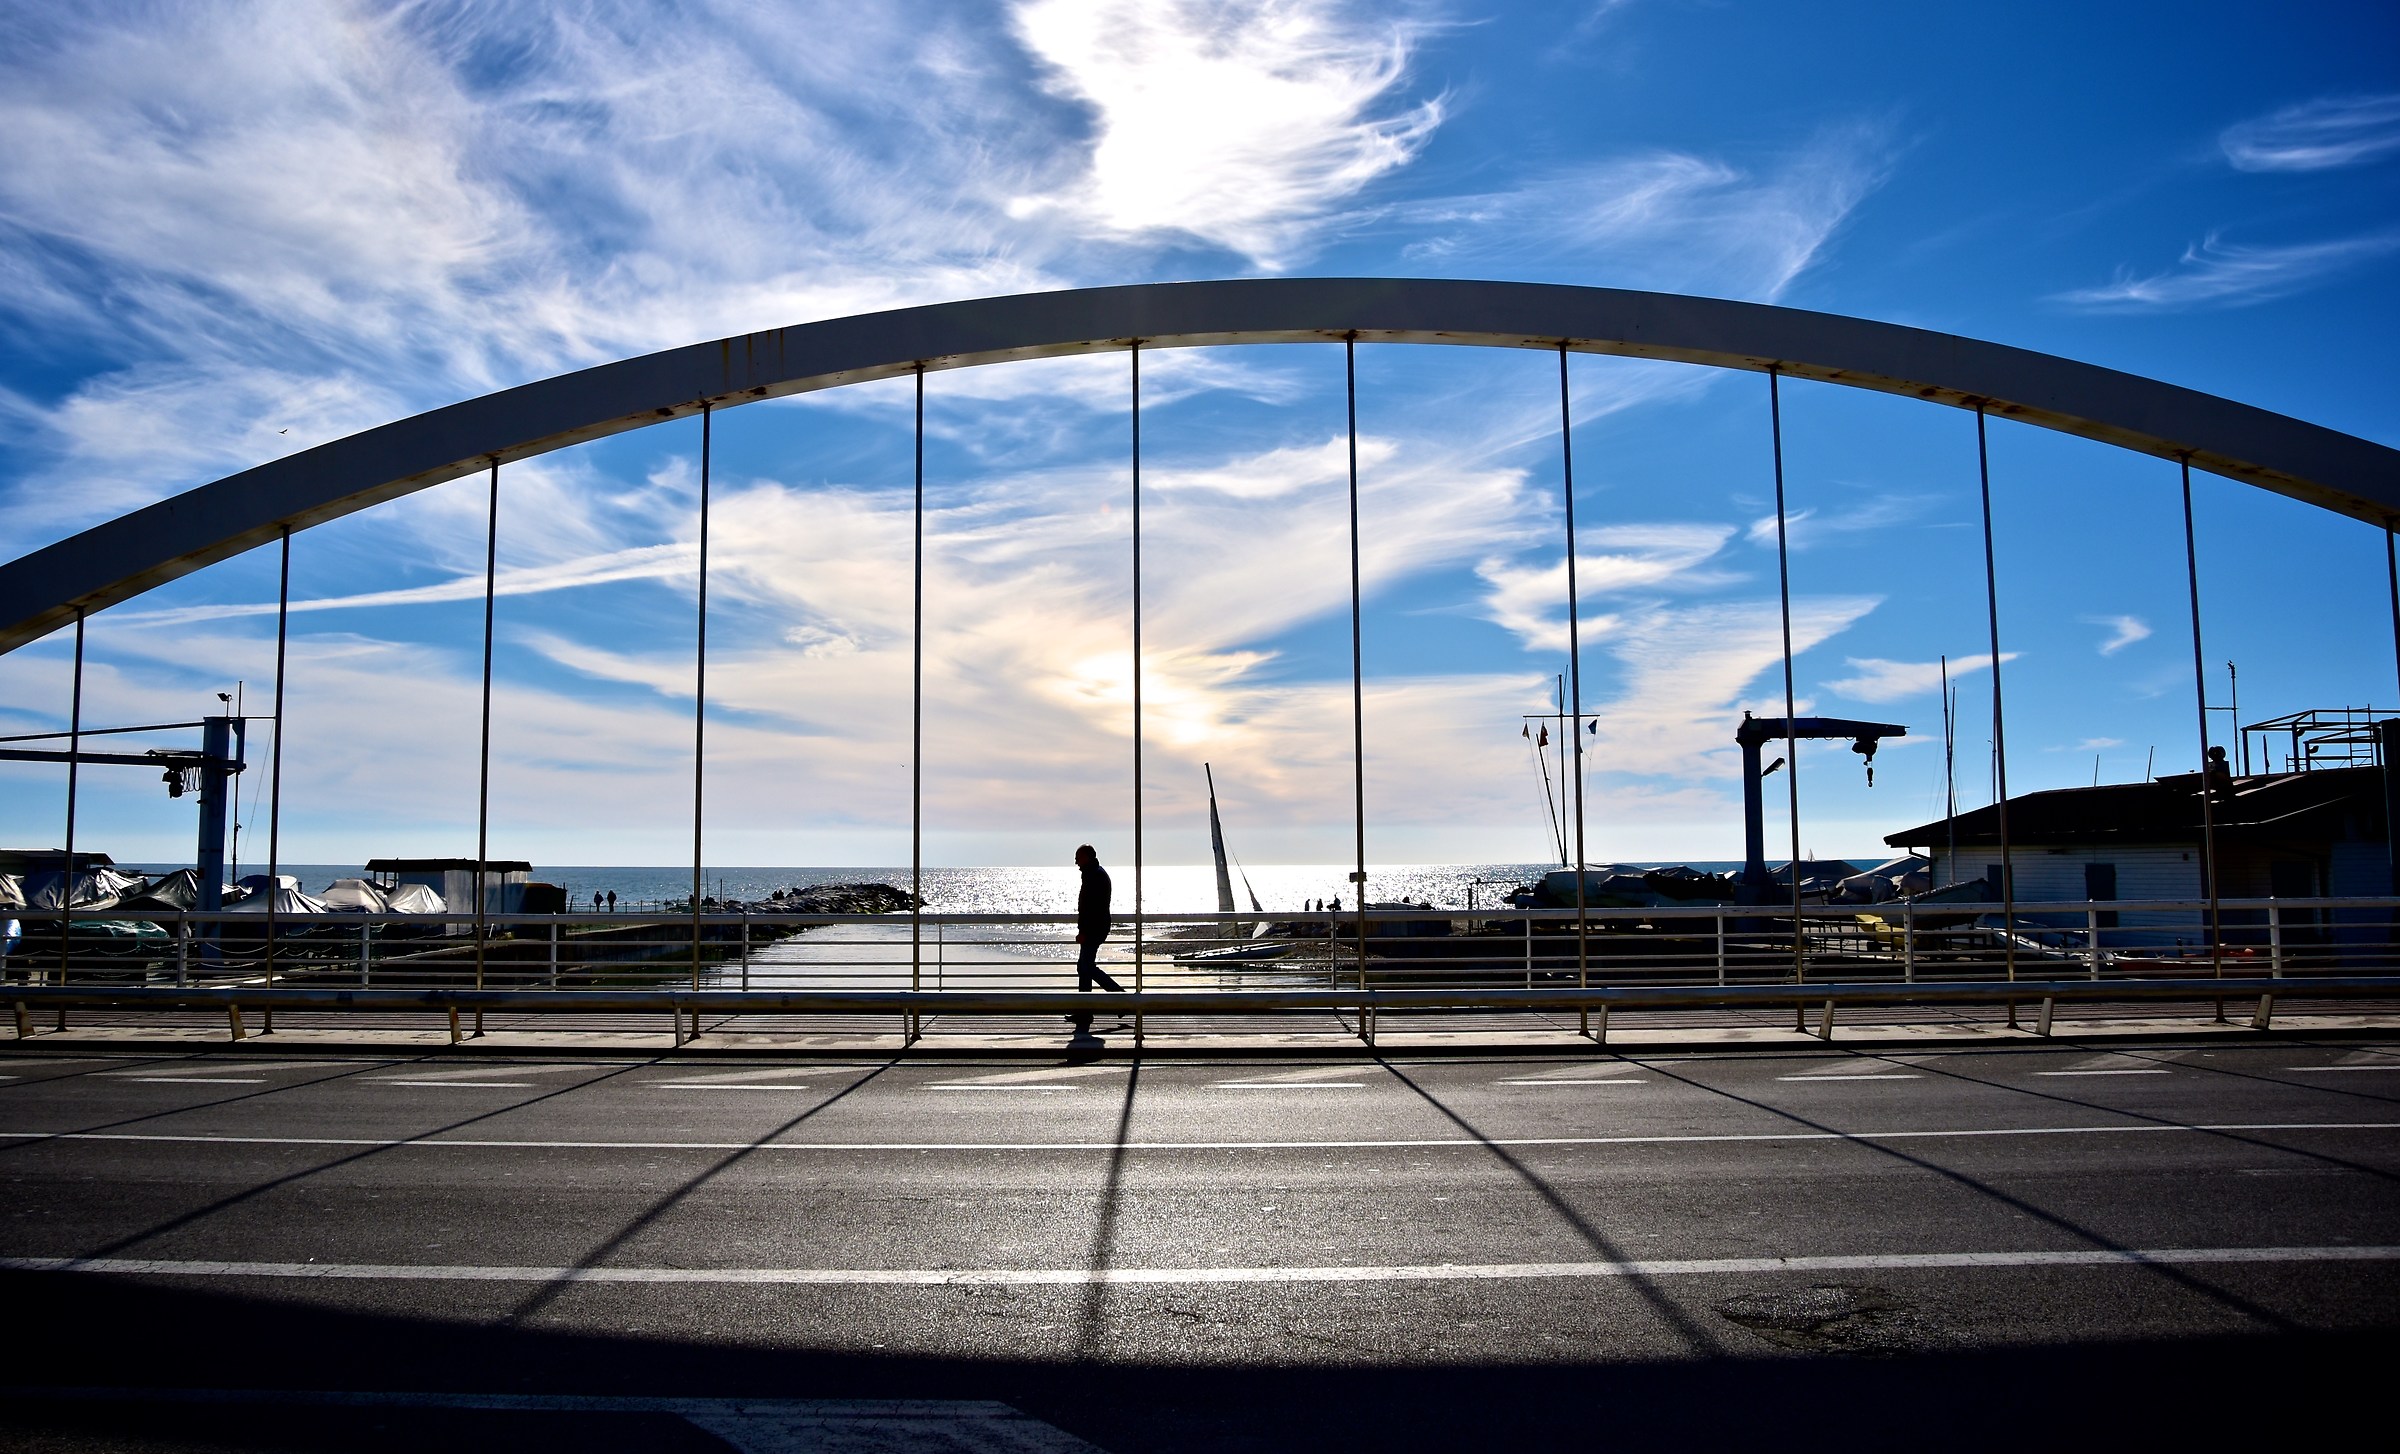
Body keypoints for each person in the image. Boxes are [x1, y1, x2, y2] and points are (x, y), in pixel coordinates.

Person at [1070, 843, 1124, 1035]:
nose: (1075, 861)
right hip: (1095, 928)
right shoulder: (1094, 873)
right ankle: (1085, 1010)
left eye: (1078, 857)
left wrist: (1083, 930)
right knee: (1084, 967)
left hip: (1094, 929)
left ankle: (1120, 999)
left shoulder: (1095, 876)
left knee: (1087, 967)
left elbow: (1091, 909)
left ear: (1087, 857)